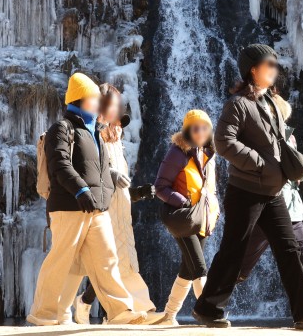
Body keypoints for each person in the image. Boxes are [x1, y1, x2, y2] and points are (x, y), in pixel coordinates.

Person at [192, 44, 303, 330]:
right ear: (252, 70)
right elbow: (223, 142)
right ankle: (208, 308)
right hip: (246, 190)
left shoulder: (269, 103)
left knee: (289, 249)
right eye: (268, 64)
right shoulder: (238, 104)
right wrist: (259, 163)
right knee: (234, 249)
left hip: (271, 192)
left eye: (275, 63)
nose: (274, 69)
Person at [27, 72, 164, 326]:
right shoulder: (63, 128)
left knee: (107, 261)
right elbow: (59, 164)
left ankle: (121, 312)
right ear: (81, 99)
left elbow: (101, 173)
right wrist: (81, 191)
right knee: (61, 260)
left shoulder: (94, 132)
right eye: (93, 98)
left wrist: (107, 198)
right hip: (70, 207)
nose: (98, 103)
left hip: (97, 209)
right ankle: (44, 313)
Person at [72, 83, 157, 324]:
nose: (118, 113)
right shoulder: (90, 130)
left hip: (121, 204)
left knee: (124, 259)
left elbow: (120, 176)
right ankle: (135, 309)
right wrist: (111, 174)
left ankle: (91, 303)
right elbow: (89, 165)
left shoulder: (115, 134)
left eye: (119, 108)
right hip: (102, 205)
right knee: (113, 260)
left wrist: (136, 192)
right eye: (115, 107)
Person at [237, 97, 303, 288]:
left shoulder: (289, 136)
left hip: (291, 208)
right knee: (240, 264)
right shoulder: (258, 136)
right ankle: (210, 302)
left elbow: (296, 170)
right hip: (268, 207)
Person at [154, 109, 221, 326]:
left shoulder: (208, 153)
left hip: (202, 217)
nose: (200, 132)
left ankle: (168, 316)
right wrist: (183, 202)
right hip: (182, 218)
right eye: (195, 128)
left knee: (187, 269)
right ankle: (209, 314)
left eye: (204, 128)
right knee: (200, 268)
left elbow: (210, 188)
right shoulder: (177, 152)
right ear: (187, 130)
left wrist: (214, 210)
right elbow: (160, 187)